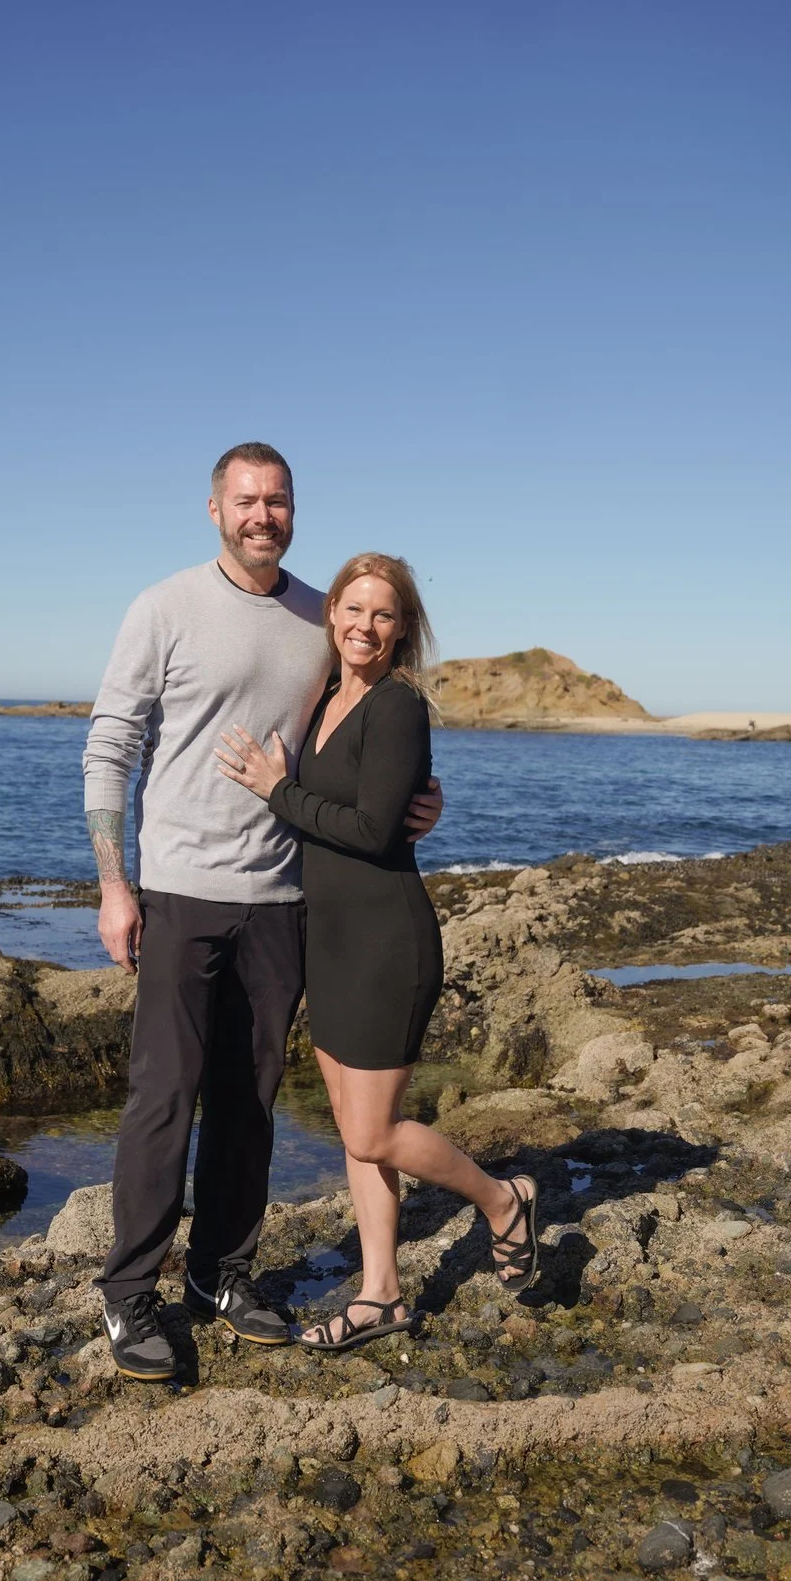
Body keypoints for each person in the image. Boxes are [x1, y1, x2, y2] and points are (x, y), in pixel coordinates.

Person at [82, 443, 443, 1381]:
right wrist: (113, 883)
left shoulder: (321, 618)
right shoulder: (163, 607)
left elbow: (364, 734)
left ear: (294, 510)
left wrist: (423, 798)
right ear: (214, 510)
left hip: (281, 903)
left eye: (277, 501)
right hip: (181, 892)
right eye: (246, 501)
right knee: (163, 1097)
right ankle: (129, 1294)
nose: (263, 515)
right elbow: (111, 743)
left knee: (249, 1104)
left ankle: (221, 1276)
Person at [216, 554, 539, 1351]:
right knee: (355, 1128)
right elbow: (379, 804)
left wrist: (274, 789)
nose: (364, 625)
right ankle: (382, 1294)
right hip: (326, 940)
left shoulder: (397, 707)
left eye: (383, 614)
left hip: (386, 945)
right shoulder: (326, 693)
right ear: (331, 614)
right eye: (353, 609)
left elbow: (369, 829)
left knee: (373, 1133)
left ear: (403, 628)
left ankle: (503, 1200)